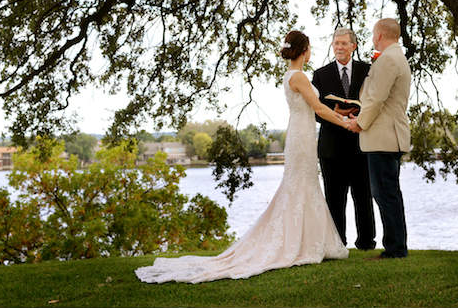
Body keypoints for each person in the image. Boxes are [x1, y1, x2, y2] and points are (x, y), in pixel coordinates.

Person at [135, 30, 350, 284]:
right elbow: (318, 108)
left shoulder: (291, 75)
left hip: (300, 134)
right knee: (300, 185)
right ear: (305, 51)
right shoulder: (299, 76)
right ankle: (303, 243)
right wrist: (345, 122)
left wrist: (336, 112)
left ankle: (309, 241)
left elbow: (316, 105)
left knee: (305, 185)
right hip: (301, 137)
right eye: (310, 48)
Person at [347, 18, 411, 259]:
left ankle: (395, 248)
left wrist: (359, 123)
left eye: (374, 34)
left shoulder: (388, 59)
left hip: (384, 136)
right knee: (388, 192)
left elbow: (376, 98)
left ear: (381, 35)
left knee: (385, 193)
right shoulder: (396, 58)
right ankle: (396, 245)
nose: (373, 39)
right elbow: (375, 97)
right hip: (390, 134)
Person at [312, 28, 376, 250]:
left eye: (343, 43)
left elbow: (375, 101)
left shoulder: (368, 70)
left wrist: (360, 114)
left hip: (362, 145)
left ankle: (367, 243)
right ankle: (337, 244)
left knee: (364, 197)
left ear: (353, 46)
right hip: (332, 149)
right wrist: (337, 113)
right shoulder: (320, 74)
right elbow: (314, 112)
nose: (338, 47)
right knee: (335, 200)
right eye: (335, 43)